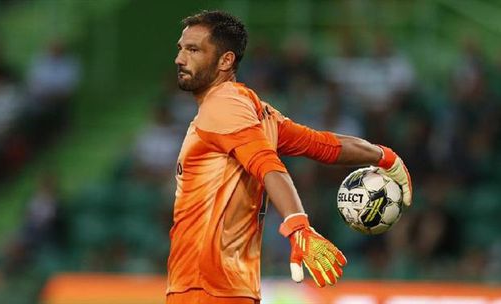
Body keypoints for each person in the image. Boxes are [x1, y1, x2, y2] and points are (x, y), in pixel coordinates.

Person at [166, 10, 412, 304]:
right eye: (181, 48)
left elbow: (267, 165)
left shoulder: (224, 104)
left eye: (193, 50)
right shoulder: (258, 111)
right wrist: (384, 156)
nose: (180, 59)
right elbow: (324, 145)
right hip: (235, 288)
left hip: (202, 289)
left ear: (225, 60)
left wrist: (299, 226)